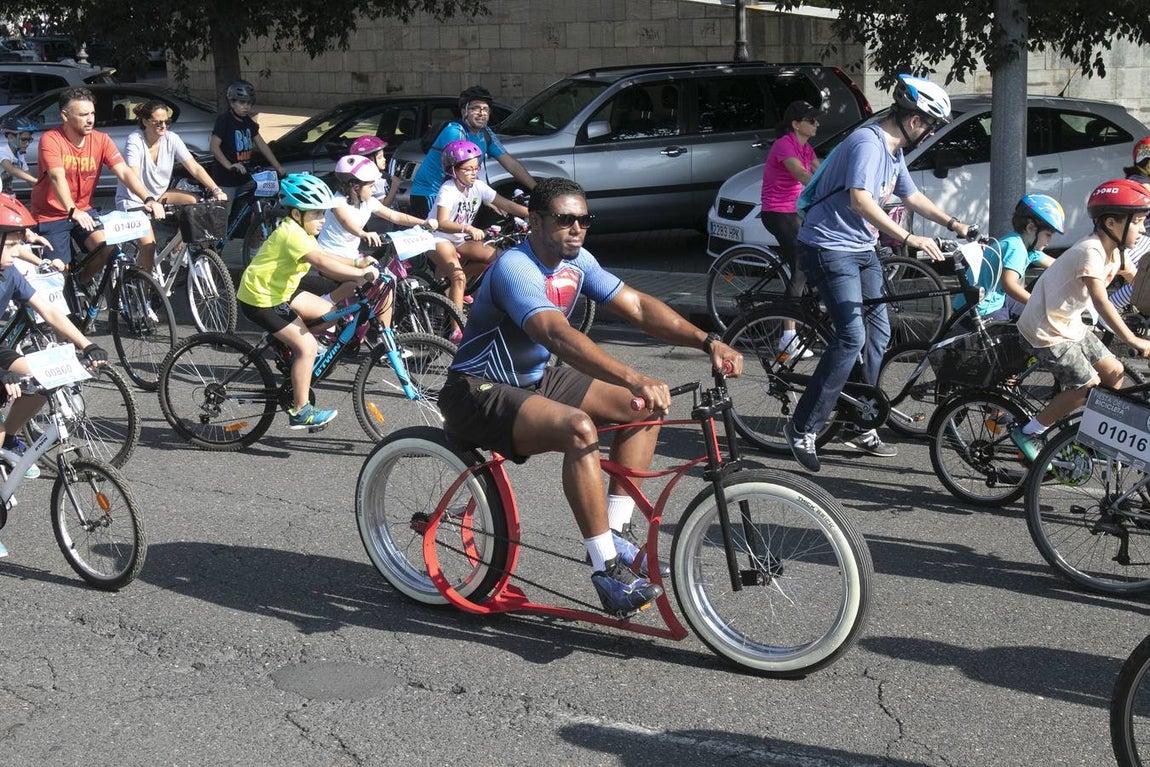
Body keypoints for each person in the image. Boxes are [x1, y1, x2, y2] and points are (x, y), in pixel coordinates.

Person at [437, 177, 744, 616]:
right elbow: (555, 334)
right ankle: (606, 568)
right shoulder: (514, 268)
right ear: (536, 222)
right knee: (579, 430)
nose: (577, 227)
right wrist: (631, 374)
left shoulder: (578, 262)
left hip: (535, 378)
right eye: (565, 219)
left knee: (641, 407)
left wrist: (708, 340)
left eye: (584, 219)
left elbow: (636, 306)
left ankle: (614, 532)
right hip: (475, 390)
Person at [783, 74, 976, 473]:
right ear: (913, 119)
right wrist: (909, 237)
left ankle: (859, 416)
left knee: (880, 331)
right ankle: (802, 426)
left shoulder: (893, 150)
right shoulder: (868, 144)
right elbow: (859, 201)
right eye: (930, 125)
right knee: (851, 336)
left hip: (862, 249)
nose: (929, 133)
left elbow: (912, 195)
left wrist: (956, 224)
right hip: (828, 247)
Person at [1012, 179, 1150, 460]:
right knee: (1085, 385)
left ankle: (1089, 435)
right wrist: (1132, 338)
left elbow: (1140, 286)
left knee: (1114, 374)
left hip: (1070, 324)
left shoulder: (1118, 251)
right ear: (1112, 223)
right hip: (1045, 329)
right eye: (1138, 222)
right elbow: (1100, 299)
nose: (1143, 229)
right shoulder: (1091, 251)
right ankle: (1030, 431)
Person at [235, 173, 379, 431]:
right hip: (260, 298)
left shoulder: (303, 232)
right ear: (296, 214)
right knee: (308, 347)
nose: (322, 220)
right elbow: (323, 264)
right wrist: (360, 274)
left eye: (323, 214)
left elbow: (326, 254)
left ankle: (286, 345)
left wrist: (359, 262)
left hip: (281, 291)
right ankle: (300, 411)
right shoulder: (292, 234)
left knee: (330, 313)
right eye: (316, 214)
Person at [0, 194, 108, 496]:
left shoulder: (9, 272)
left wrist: (86, 345)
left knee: (43, 378)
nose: (17, 250)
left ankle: (10, 435)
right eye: (10, 244)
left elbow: (48, 311)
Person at [30, 87, 166, 281]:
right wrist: (72, 210)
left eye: (92, 113)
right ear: (65, 115)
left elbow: (124, 171)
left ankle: (81, 283)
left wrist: (149, 199)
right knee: (59, 272)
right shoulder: (50, 140)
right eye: (83, 114)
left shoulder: (101, 139)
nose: (90, 119)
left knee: (106, 248)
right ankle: (68, 287)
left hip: (84, 211)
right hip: (51, 215)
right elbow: (57, 177)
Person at [113, 99, 228, 273]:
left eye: (167, 122)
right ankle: (145, 292)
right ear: (145, 121)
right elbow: (132, 176)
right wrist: (149, 200)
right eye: (158, 122)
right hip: (134, 199)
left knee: (196, 204)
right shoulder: (135, 140)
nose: (164, 126)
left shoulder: (171, 138)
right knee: (149, 246)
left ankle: (176, 249)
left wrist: (216, 189)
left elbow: (194, 167)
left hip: (159, 195)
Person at [315, 154, 437, 317]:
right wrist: (363, 233)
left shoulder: (368, 201)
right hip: (329, 257)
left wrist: (423, 222)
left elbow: (394, 216)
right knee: (362, 280)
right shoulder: (338, 202)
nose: (374, 189)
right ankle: (326, 303)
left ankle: (384, 335)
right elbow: (346, 223)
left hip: (352, 256)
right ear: (355, 186)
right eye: (371, 186)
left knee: (387, 284)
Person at [431, 139, 529, 342]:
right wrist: (467, 227)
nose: (473, 172)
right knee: (459, 277)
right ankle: (456, 330)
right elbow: (441, 222)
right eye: (467, 169)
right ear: (453, 170)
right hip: (437, 238)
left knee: (498, 257)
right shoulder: (448, 190)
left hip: (458, 239)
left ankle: (453, 289)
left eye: (476, 168)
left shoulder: (478, 186)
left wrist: (537, 216)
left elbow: (507, 205)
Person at [408, 85, 535, 219]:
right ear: (464, 112)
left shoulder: (486, 133)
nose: (482, 113)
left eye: (486, 109)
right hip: (430, 193)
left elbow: (511, 164)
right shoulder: (455, 132)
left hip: (458, 191)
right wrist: (487, 199)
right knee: (441, 234)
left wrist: (536, 188)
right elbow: (462, 171)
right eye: (476, 108)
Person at [760, 100, 821, 354]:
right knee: (800, 266)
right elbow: (803, 176)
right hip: (777, 212)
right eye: (811, 120)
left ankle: (808, 323)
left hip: (794, 211)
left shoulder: (806, 148)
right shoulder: (784, 145)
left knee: (817, 255)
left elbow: (821, 171)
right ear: (796, 124)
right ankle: (787, 336)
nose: (817, 123)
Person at [954, 193, 1063, 323]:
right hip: (978, 309)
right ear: (1030, 228)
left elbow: (1058, 266)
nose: (1049, 241)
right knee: (1012, 337)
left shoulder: (1024, 244)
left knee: (1038, 317)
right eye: (1048, 235)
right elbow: (1009, 285)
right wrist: (1039, 304)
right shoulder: (1015, 247)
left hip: (994, 300)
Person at [208, 80, 287, 208]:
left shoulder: (248, 122)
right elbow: (214, 147)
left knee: (261, 200)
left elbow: (262, 146)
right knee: (223, 217)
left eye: (249, 103)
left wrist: (278, 167)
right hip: (226, 180)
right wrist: (230, 166)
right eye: (242, 102)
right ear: (232, 102)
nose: (246, 107)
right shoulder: (225, 121)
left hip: (245, 178)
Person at [1107, 137, 1150, 310]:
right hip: (1131, 243)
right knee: (1143, 281)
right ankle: (1109, 310)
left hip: (1138, 241)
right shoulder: (1140, 185)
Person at [348, 135, 400, 209]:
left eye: (383, 156)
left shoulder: (381, 174)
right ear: (368, 161)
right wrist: (395, 186)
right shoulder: (374, 180)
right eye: (380, 157)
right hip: (382, 219)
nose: (384, 159)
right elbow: (384, 206)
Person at [0, 117, 37, 195]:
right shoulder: (2, 151)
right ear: (10, 137)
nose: (27, 143)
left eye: (29, 140)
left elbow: (29, 179)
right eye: (24, 139)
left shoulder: (19, 155)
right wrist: (35, 180)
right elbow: (12, 170)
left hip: (7, 195)